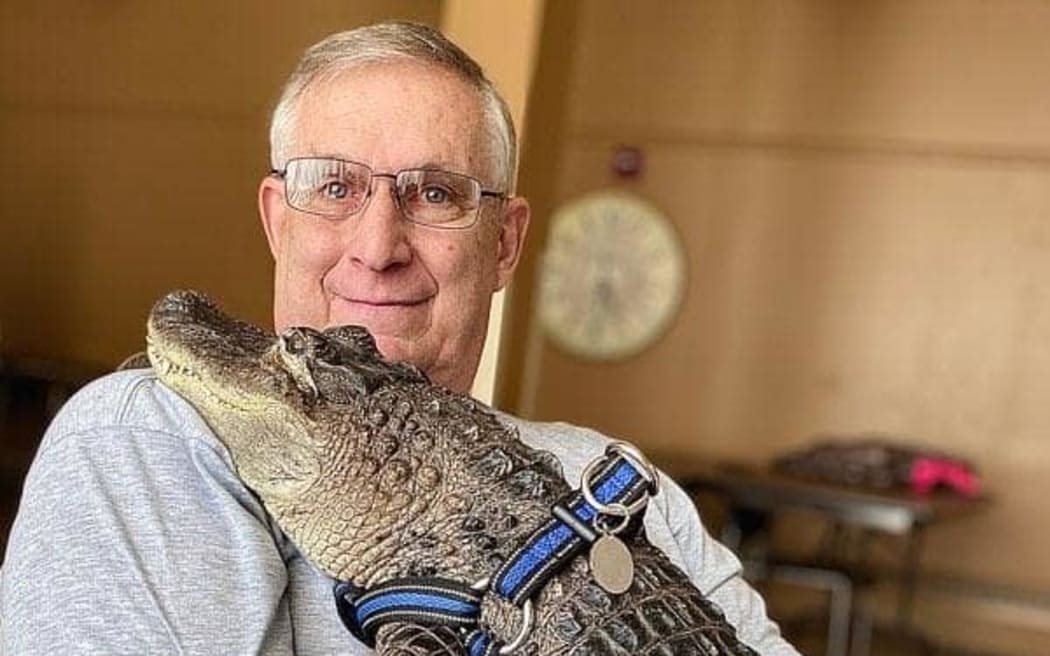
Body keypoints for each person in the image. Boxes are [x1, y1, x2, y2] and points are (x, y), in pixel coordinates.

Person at [0, 21, 798, 654]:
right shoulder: (152, 434)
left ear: (506, 245)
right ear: (278, 221)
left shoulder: (618, 486)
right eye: (335, 186)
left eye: (435, 193)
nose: (378, 246)